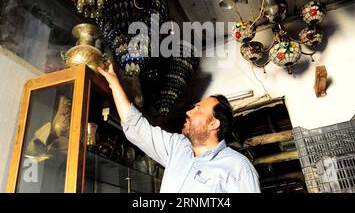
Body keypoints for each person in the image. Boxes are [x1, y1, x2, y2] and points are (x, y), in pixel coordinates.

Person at [98, 62, 261, 193]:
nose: (189, 112)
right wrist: (114, 84)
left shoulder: (238, 167)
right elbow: (137, 127)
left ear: (214, 124)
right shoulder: (176, 147)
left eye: (198, 109)